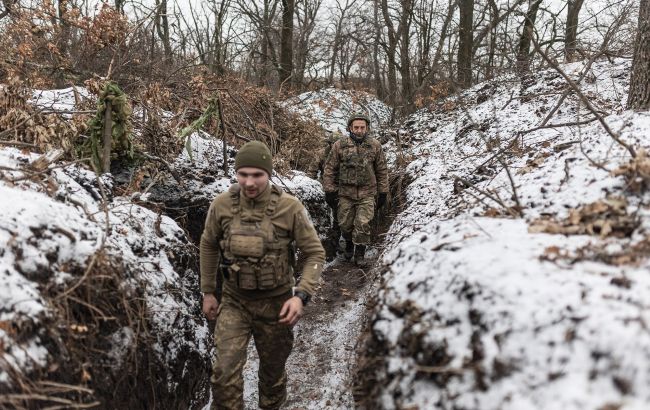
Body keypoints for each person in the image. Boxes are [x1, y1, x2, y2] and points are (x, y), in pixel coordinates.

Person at [200, 140, 325, 410]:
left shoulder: (290, 208)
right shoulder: (221, 205)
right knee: (223, 375)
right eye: (243, 174)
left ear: (268, 174)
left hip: (276, 304)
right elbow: (208, 244)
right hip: (235, 302)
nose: (249, 182)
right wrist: (208, 291)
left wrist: (301, 296)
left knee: (272, 376)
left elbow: (315, 253)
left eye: (257, 174)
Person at [323, 112, 389, 265]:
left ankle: (359, 254)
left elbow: (382, 170)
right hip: (345, 194)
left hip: (367, 193)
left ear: (367, 128)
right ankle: (349, 244)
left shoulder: (374, 145)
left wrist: (383, 192)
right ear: (350, 128)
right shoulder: (339, 145)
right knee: (345, 225)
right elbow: (329, 169)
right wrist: (329, 190)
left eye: (362, 127)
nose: (359, 130)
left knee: (363, 224)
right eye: (356, 127)